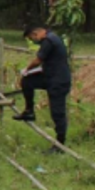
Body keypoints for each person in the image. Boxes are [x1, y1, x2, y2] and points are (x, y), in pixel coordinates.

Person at [13, 24, 72, 153]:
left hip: (58, 81)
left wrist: (27, 69)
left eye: (32, 38)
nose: (34, 41)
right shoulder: (51, 38)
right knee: (27, 81)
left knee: (57, 112)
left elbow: (38, 60)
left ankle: (60, 145)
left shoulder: (49, 41)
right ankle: (29, 111)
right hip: (49, 76)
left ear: (36, 33)